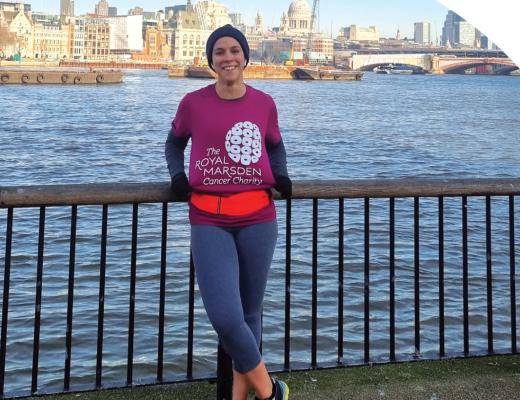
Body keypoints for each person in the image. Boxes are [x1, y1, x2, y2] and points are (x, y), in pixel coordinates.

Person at [165, 25, 292, 400]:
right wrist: (177, 176)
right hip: (209, 219)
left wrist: (282, 175)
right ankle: (271, 392)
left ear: (245, 56)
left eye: (234, 50)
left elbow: (276, 146)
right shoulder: (193, 102)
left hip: (258, 217)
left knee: (250, 314)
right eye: (219, 52)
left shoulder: (264, 103)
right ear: (211, 61)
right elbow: (173, 145)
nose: (228, 58)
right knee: (224, 316)